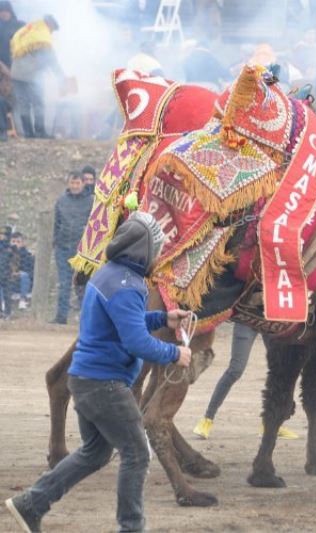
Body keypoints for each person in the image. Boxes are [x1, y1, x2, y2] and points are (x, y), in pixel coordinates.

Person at [4, 212, 193, 533]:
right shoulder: (129, 285)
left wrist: (163, 319)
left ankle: (31, 504)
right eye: (157, 248)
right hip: (105, 385)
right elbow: (136, 342)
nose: (159, 255)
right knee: (136, 454)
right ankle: (131, 527)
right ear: (143, 249)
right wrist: (176, 353)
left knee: (95, 453)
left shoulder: (109, 275)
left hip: (85, 380)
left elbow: (125, 325)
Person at [193, 322, 298, 440]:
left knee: (280, 369)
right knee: (235, 370)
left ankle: (271, 424)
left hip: (270, 318)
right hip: (247, 318)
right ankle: (207, 419)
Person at [9, 14, 65, 138]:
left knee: (24, 104)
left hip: (16, 73)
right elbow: (51, 60)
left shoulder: (28, 31)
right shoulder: (42, 36)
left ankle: (28, 134)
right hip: (31, 76)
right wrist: (61, 78)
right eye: (53, 29)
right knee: (38, 103)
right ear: (49, 24)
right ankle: (40, 132)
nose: (52, 32)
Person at [52, 171, 93, 324]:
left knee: (83, 284)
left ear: (83, 184)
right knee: (64, 283)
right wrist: (55, 242)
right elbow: (56, 223)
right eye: (72, 183)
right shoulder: (61, 201)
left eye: (78, 183)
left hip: (83, 250)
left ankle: (86, 319)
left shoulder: (91, 201)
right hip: (63, 247)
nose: (75, 186)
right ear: (68, 183)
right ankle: (61, 317)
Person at [0, 231, 33, 316]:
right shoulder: (5, 253)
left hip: (21, 283)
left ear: (23, 243)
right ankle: (3, 302)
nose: (15, 244)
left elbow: (30, 271)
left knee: (24, 276)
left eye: (18, 242)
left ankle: (22, 300)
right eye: (13, 241)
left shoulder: (27, 255)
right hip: (7, 280)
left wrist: (19, 273)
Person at [0, 1, 24, 69]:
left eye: (6, 10)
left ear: (11, 12)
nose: (4, 13)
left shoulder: (21, 26)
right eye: (1, 11)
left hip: (18, 67)